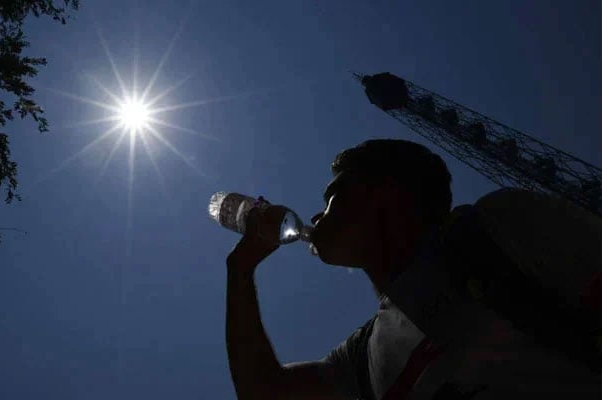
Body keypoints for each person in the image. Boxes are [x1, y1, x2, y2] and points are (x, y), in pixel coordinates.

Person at [224, 139, 601, 400]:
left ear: (384, 192)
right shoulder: (362, 354)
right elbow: (265, 391)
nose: (316, 215)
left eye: (333, 196)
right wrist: (240, 269)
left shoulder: (499, 227)